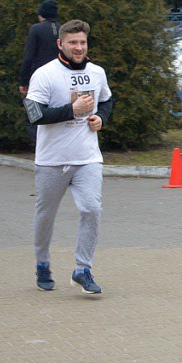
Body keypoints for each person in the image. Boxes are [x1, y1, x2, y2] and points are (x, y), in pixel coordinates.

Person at [23, 19, 113, 294]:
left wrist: (101, 118)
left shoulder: (97, 72)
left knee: (91, 208)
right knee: (45, 215)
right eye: (72, 42)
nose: (78, 47)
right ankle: (42, 263)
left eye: (82, 42)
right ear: (60, 44)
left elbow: (107, 100)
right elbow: (34, 114)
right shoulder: (44, 74)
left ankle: (82, 270)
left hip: (87, 158)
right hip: (52, 161)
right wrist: (71, 110)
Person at [19, 0, 62, 146]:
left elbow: (28, 57)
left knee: (32, 115)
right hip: (59, 79)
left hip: (38, 80)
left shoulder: (36, 29)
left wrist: (23, 81)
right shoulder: (62, 29)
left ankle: (41, 147)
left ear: (42, 14)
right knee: (55, 115)